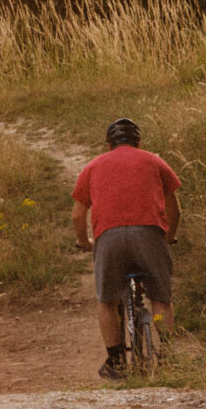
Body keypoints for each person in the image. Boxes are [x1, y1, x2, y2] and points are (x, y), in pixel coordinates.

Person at [73, 117, 181, 379]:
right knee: (160, 297)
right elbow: (174, 209)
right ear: (139, 142)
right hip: (149, 234)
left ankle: (115, 361)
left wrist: (85, 242)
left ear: (108, 144)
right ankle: (167, 355)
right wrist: (167, 238)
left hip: (109, 237)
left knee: (107, 300)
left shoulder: (93, 166)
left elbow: (78, 215)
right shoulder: (154, 161)